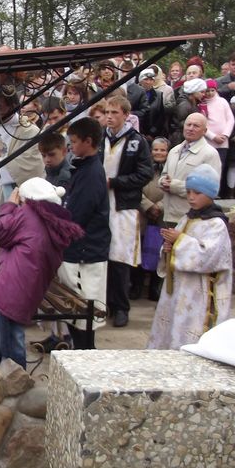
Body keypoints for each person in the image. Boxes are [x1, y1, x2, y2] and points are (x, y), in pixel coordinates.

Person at [0, 179, 84, 369]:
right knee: (0, 333)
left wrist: (9, 205)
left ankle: (16, 377)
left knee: (11, 339)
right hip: (26, 284)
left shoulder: (27, 215)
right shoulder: (49, 219)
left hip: (13, 286)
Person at [147, 163, 232, 350]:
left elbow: (208, 256)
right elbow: (177, 246)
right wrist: (168, 248)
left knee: (191, 334)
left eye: (197, 193)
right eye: (188, 192)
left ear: (210, 194)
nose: (191, 197)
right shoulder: (187, 218)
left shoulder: (216, 224)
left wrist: (179, 240)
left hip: (199, 293)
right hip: (179, 289)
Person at [58, 118, 110, 350]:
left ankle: (85, 354)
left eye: (74, 142)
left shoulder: (91, 173)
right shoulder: (82, 167)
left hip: (86, 253)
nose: (71, 146)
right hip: (78, 249)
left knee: (84, 311)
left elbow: (78, 213)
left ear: (88, 142)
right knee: (75, 313)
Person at [100, 97, 152, 328]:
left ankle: (121, 307)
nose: (109, 117)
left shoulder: (136, 141)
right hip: (101, 203)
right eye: (107, 112)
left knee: (120, 256)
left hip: (123, 204)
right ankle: (103, 304)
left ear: (125, 114)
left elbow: (144, 173)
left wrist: (116, 182)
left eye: (114, 112)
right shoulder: (100, 138)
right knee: (101, 256)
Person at [161, 113, 222, 227]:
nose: (190, 128)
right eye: (188, 125)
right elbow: (164, 175)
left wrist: (174, 186)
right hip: (168, 215)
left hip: (192, 218)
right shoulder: (174, 151)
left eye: (196, 126)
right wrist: (162, 182)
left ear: (204, 131)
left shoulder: (210, 154)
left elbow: (210, 190)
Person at [134, 137, 169, 302]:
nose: (159, 153)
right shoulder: (143, 168)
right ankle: (136, 286)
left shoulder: (171, 170)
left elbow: (172, 192)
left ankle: (155, 288)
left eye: (163, 150)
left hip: (162, 217)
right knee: (140, 250)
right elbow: (136, 188)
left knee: (160, 251)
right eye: (156, 149)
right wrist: (148, 206)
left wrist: (159, 207)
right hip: (143, 215)